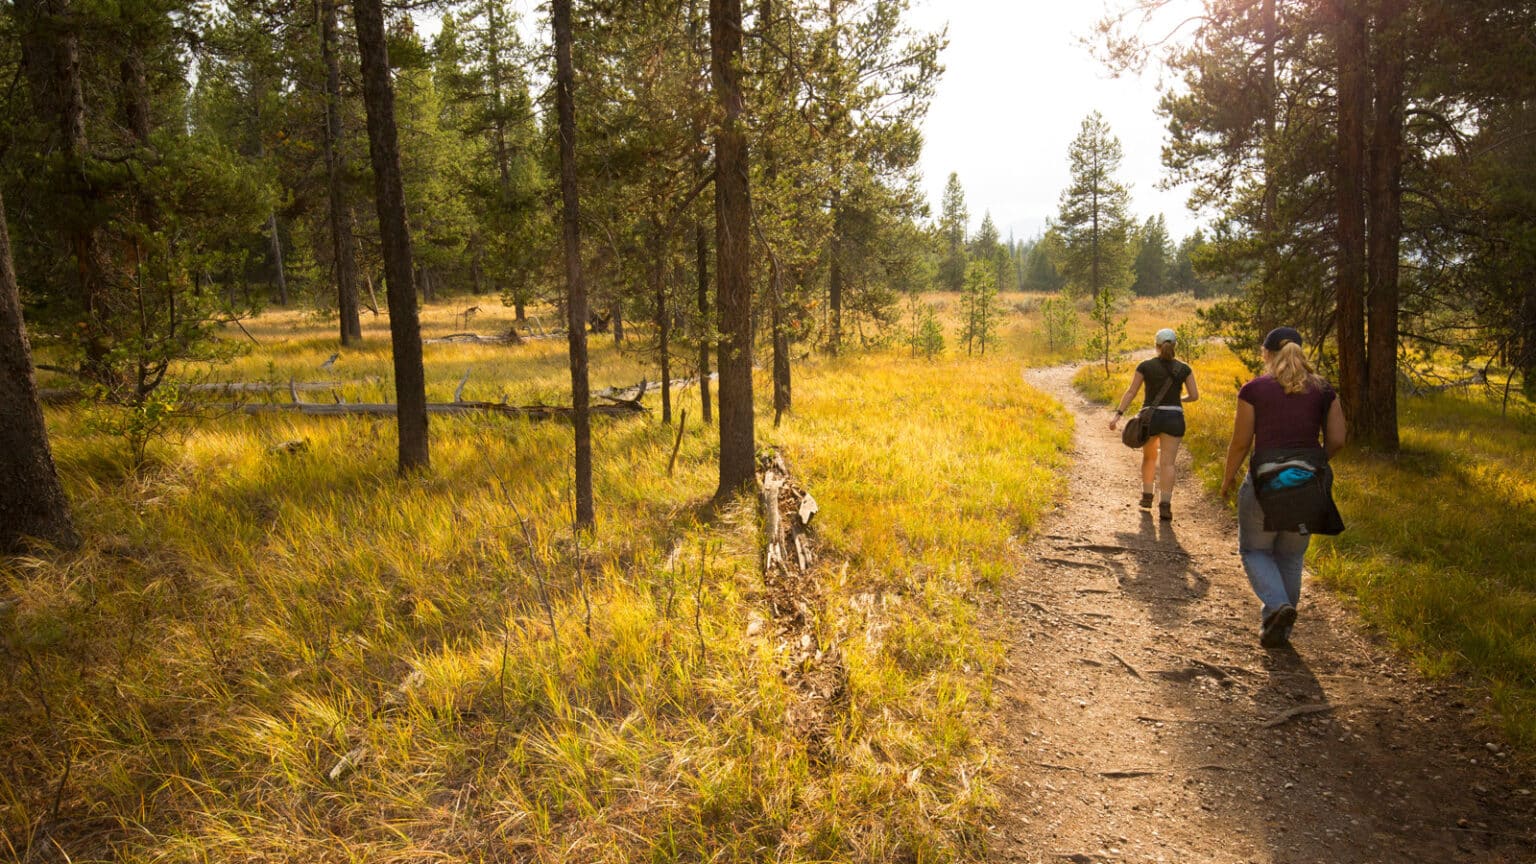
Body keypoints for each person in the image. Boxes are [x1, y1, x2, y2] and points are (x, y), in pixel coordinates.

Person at [1220, 326, 1348, 648]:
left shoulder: (1254, 390)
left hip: (1264, 484)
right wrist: (1316, 463)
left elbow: (1241, 443)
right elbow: (1337, 439)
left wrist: (1228, 478)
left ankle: (1278, 607)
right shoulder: (1324, 390)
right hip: (1308, 486)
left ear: (1266, 353)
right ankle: (1279, 627)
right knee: (1291, 556)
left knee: (1255, 550)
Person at [1109, 328, 1199, 521]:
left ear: (1156, 345)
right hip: (1174, 418)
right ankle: (1165, 505)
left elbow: (1131, 391)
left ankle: (1147, 496)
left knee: (1149, 458)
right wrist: (1178, 400)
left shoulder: (1145, 366)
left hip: (1150, 419)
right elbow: (1194, 396)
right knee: (1168, 464)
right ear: (1175, 345)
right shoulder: (1184, 368)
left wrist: (1118, 415)